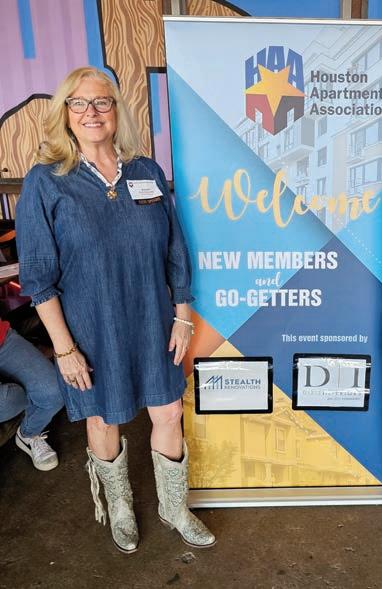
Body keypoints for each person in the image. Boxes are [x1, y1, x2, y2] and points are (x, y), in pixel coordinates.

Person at [16, 67, 215, 554]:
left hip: (152, 319)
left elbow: (175, 250)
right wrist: (64, 349)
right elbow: (38, 277)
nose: (91, 112)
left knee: (169, 410)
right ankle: (120, 506)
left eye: (101, 102)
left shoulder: (146, 172)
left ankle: (174, 508)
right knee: (104, 419)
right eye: (79, 103)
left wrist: (182, 314)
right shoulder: (47, 182)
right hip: (90, 328)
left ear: (116, 110)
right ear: (65, 113)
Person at [0, 317, 63, 470]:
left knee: (54, 392)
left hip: (2, 341)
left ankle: (28, 433)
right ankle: (24, 393)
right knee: (8, 400)